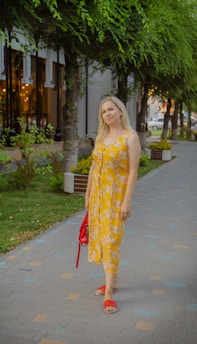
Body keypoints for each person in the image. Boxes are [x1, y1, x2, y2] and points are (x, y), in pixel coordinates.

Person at [85, 96, 141, 314]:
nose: (107, 114)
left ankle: (108, 293)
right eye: (103, 112)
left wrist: (127, 201)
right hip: (98, 199)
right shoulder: (102, 137)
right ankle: (113, 282)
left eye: (110, 109)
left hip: (115, 199)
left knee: (111, 241)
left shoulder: (131, 138)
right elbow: (93, 167)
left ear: (120, 111)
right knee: (101, 239)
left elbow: (133, 172)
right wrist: (88, 194)